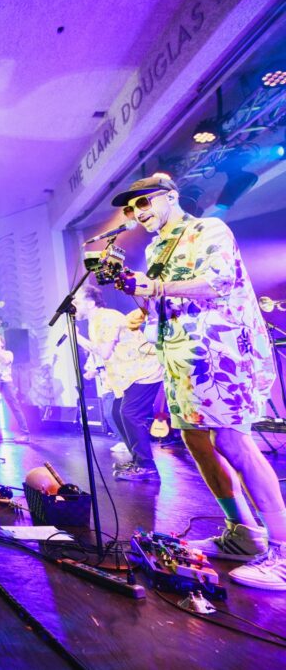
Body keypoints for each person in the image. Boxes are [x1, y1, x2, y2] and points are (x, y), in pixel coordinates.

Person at [113, 174, 284, 588]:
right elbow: (162, 300)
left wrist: (156, 285)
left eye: (144, 202)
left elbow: (218, 282)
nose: (137, 213)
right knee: (195, 440)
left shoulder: (208, 228)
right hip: (180, 359)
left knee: (232, 441)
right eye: (131, 208)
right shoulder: (156, 248)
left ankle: (282, 551)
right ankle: (243, 534)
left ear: (171, 196)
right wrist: (142, 304)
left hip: (217, 352)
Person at [74, 284, 165, 480]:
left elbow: (104, 352)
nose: (74, 306)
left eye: (77, 302)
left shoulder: (106, 318)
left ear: (90, 303)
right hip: (130, 375)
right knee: (116, 412)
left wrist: (78, 338)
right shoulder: (95, 321)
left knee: (129, 413)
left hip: (144, 371)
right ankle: (138, 460)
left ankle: (147, 466)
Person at [0, 334, 31, 440]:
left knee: (14, 406)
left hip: (5, 382)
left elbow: (6, 361)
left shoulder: (8, 353)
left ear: (2, 343)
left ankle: (25, 433)